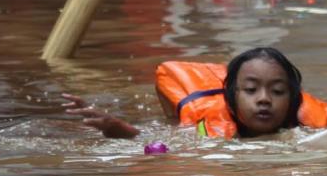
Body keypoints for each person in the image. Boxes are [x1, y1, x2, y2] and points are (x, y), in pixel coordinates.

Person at [63, 47, 303, 139]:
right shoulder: (203, 133)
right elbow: (157, 144)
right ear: (231, 97)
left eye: (278, 91)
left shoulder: (306, 134)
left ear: (291, 100)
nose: (264, 99)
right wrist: (116, 128)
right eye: (251, 90)